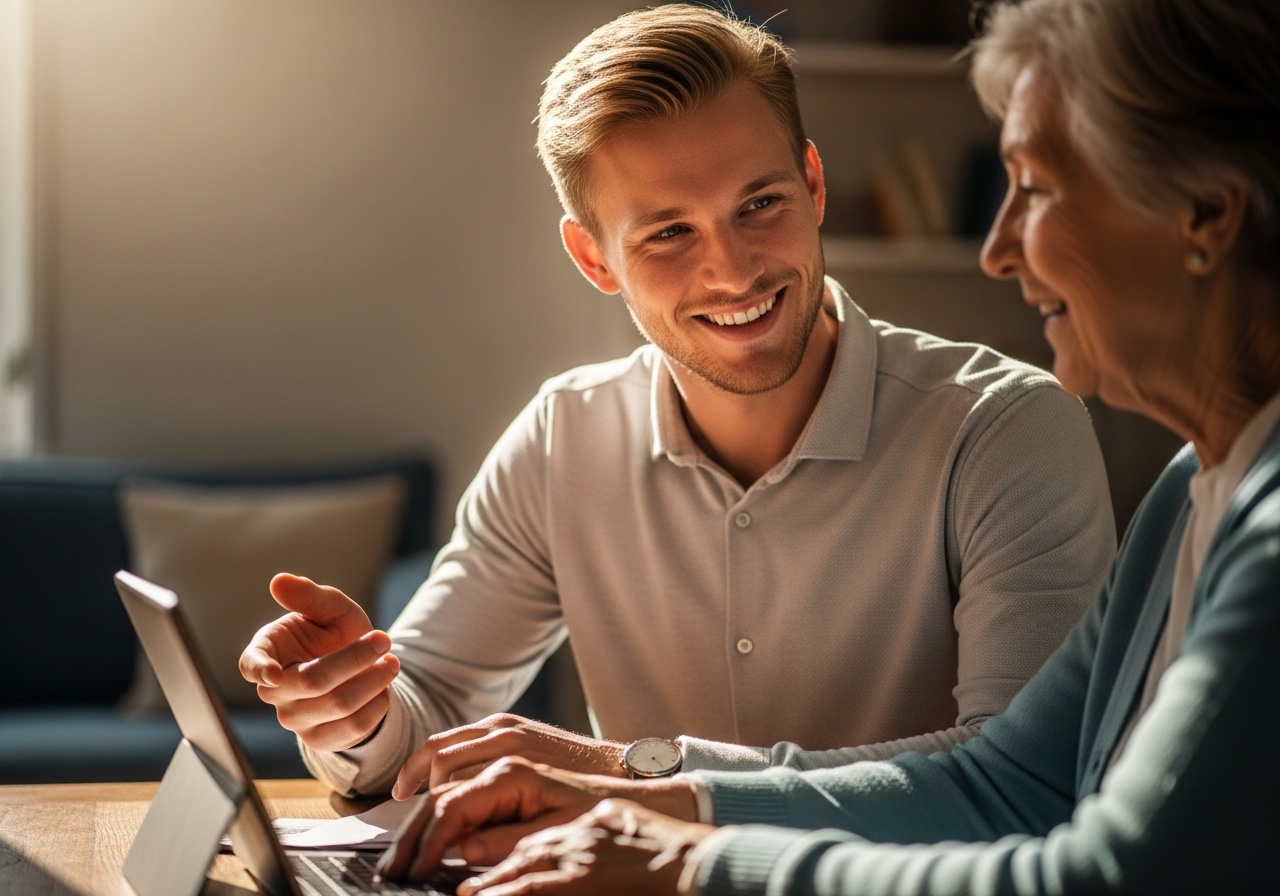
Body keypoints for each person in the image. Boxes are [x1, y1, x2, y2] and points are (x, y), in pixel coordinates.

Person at [371, 0, 1280, 892]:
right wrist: (650, 818)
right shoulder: (1183, 498)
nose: (997, 250)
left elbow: (1095, 861)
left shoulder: (1245, 522)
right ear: (595, 257)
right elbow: (1012, 778)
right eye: (670, 231)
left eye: (1034, 190)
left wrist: (677, 843)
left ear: (1205, 216)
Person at [239, 4, 1115, 803]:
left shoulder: (1008, 432)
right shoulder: (562, 436)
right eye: (668, 232)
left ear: (813, 187)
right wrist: (356, 714)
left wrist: (628, 771)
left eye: (760, 203)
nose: (733, 270)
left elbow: (1023, 781)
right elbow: (423, 704)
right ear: (594, 260)